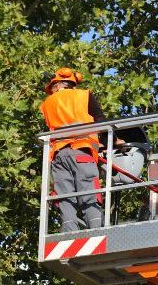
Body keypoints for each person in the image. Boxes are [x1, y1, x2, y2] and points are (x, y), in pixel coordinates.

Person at [39, 67, 122, 232]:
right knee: (89, 191)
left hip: (58, 155)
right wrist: (112, 141)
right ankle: (97, 230)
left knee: (64, 196)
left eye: (53, 87)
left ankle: (69, 230)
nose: (52, 90)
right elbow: (101, 121)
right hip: (81, 151)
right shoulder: (83, 95)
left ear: (59, 84)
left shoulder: (47, 104)